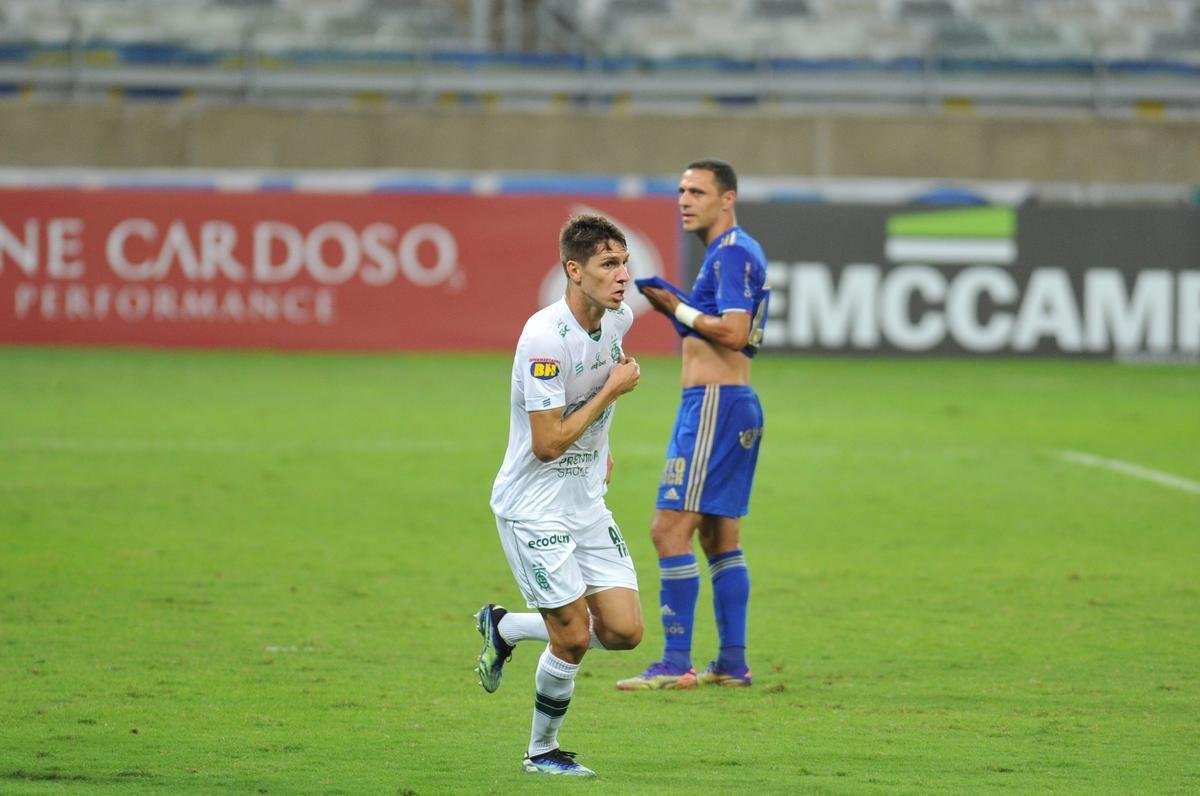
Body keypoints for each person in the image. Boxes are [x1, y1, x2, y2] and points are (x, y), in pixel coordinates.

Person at [475, 214, 645, 777]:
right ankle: (541, 752)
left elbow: (594, 395)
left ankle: (504, 627)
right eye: (608, 264)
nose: (623, 275)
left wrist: (603, 448)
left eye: (624, 262)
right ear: (574, 270)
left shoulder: (617, 321)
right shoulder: (544, 339)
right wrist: (613, 391)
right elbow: (547, 443)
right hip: (534, 506)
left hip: (585, 498)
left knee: (624, 631)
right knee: (572, 638)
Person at [617, 158, 768, 691]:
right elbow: (741, 335)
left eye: (697, 191)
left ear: (727, 199)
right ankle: (731, 662)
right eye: (681, 190)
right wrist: (675, 303)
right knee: (718, 535)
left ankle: (675, 660)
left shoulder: (730, 255)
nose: (684, 200)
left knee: (667, 530)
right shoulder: (735, 254)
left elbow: (731, 331)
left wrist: (673, 310)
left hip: (713, 406)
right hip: (734, 401)